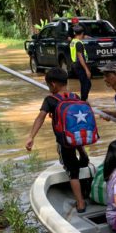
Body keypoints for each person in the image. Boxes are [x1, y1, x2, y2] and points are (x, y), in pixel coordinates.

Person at [25, 67, 88, 213]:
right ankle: (83, 153)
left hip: (65, 142)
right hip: (79, 137)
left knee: (72, 172)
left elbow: (40, 118)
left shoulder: (50, 100)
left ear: (53, 85)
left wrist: (31, 137)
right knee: (75, 145)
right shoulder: (75, 96)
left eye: (48, 86)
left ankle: (80, 203)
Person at [70, 23, 92, 100]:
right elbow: (80, 57)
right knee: (86, 84)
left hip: (75, 65)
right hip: (80, 65)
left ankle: (83, 100)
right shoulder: (78, 43)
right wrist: (87, 70)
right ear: (82, 33)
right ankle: (83, 101)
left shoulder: (73, 41)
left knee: (86, 84)